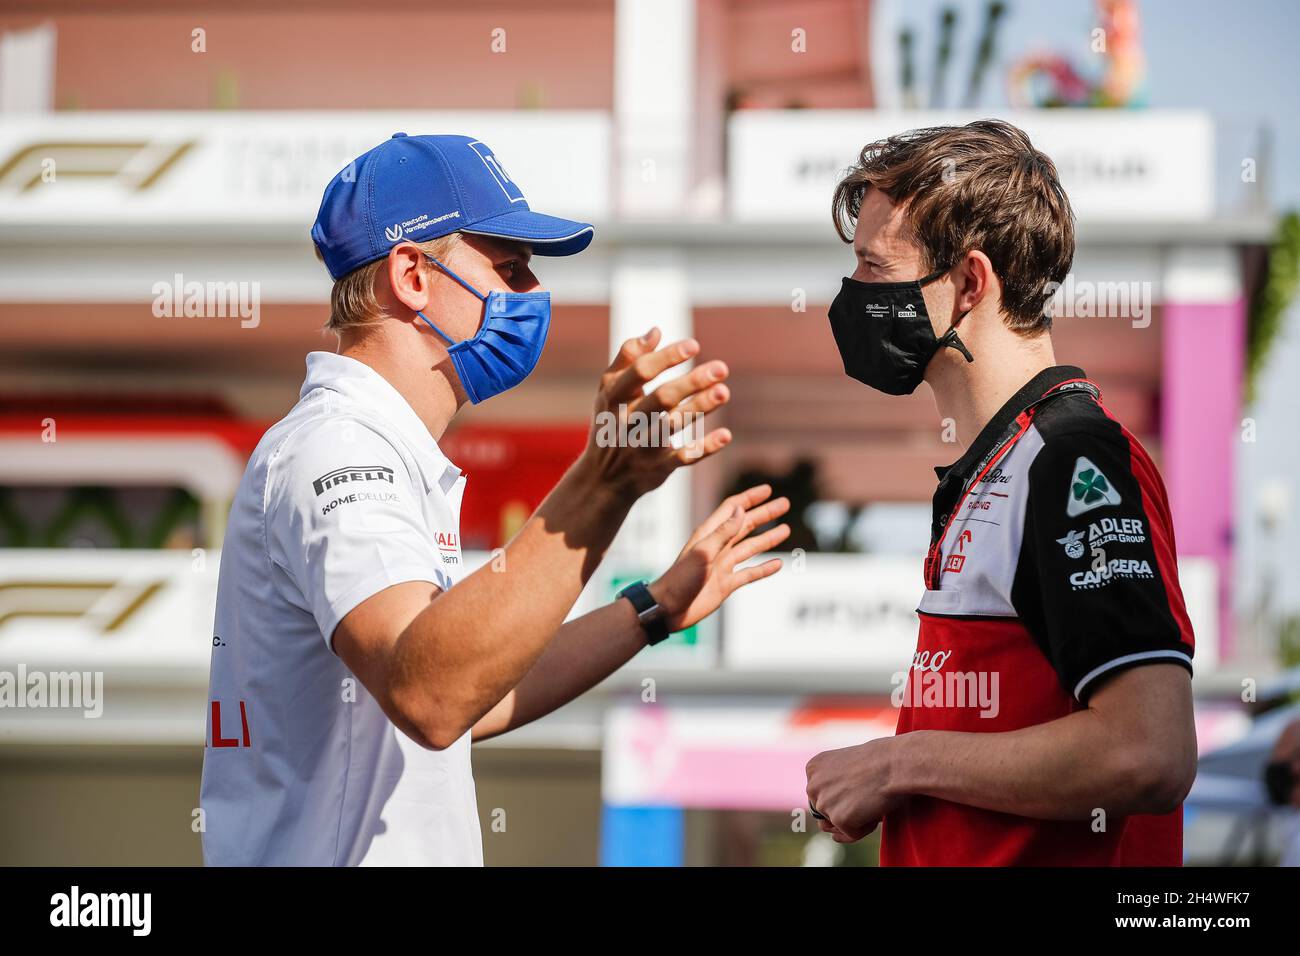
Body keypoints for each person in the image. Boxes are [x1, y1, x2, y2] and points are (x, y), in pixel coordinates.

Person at [199, 133, 790, 865]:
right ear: (411, 275)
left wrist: (655, 606)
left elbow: (475, 682)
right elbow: (431, 695)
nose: (535, 296)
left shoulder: (378, 446)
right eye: (510, 268)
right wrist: (600, 482)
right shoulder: (337, 445)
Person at [804, 119, 1197, 865]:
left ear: (969, 283)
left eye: (874, 269)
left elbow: (1151, 751)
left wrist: (897, 763)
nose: (852, 295)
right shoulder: (1004, 463)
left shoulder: (1071, 458)